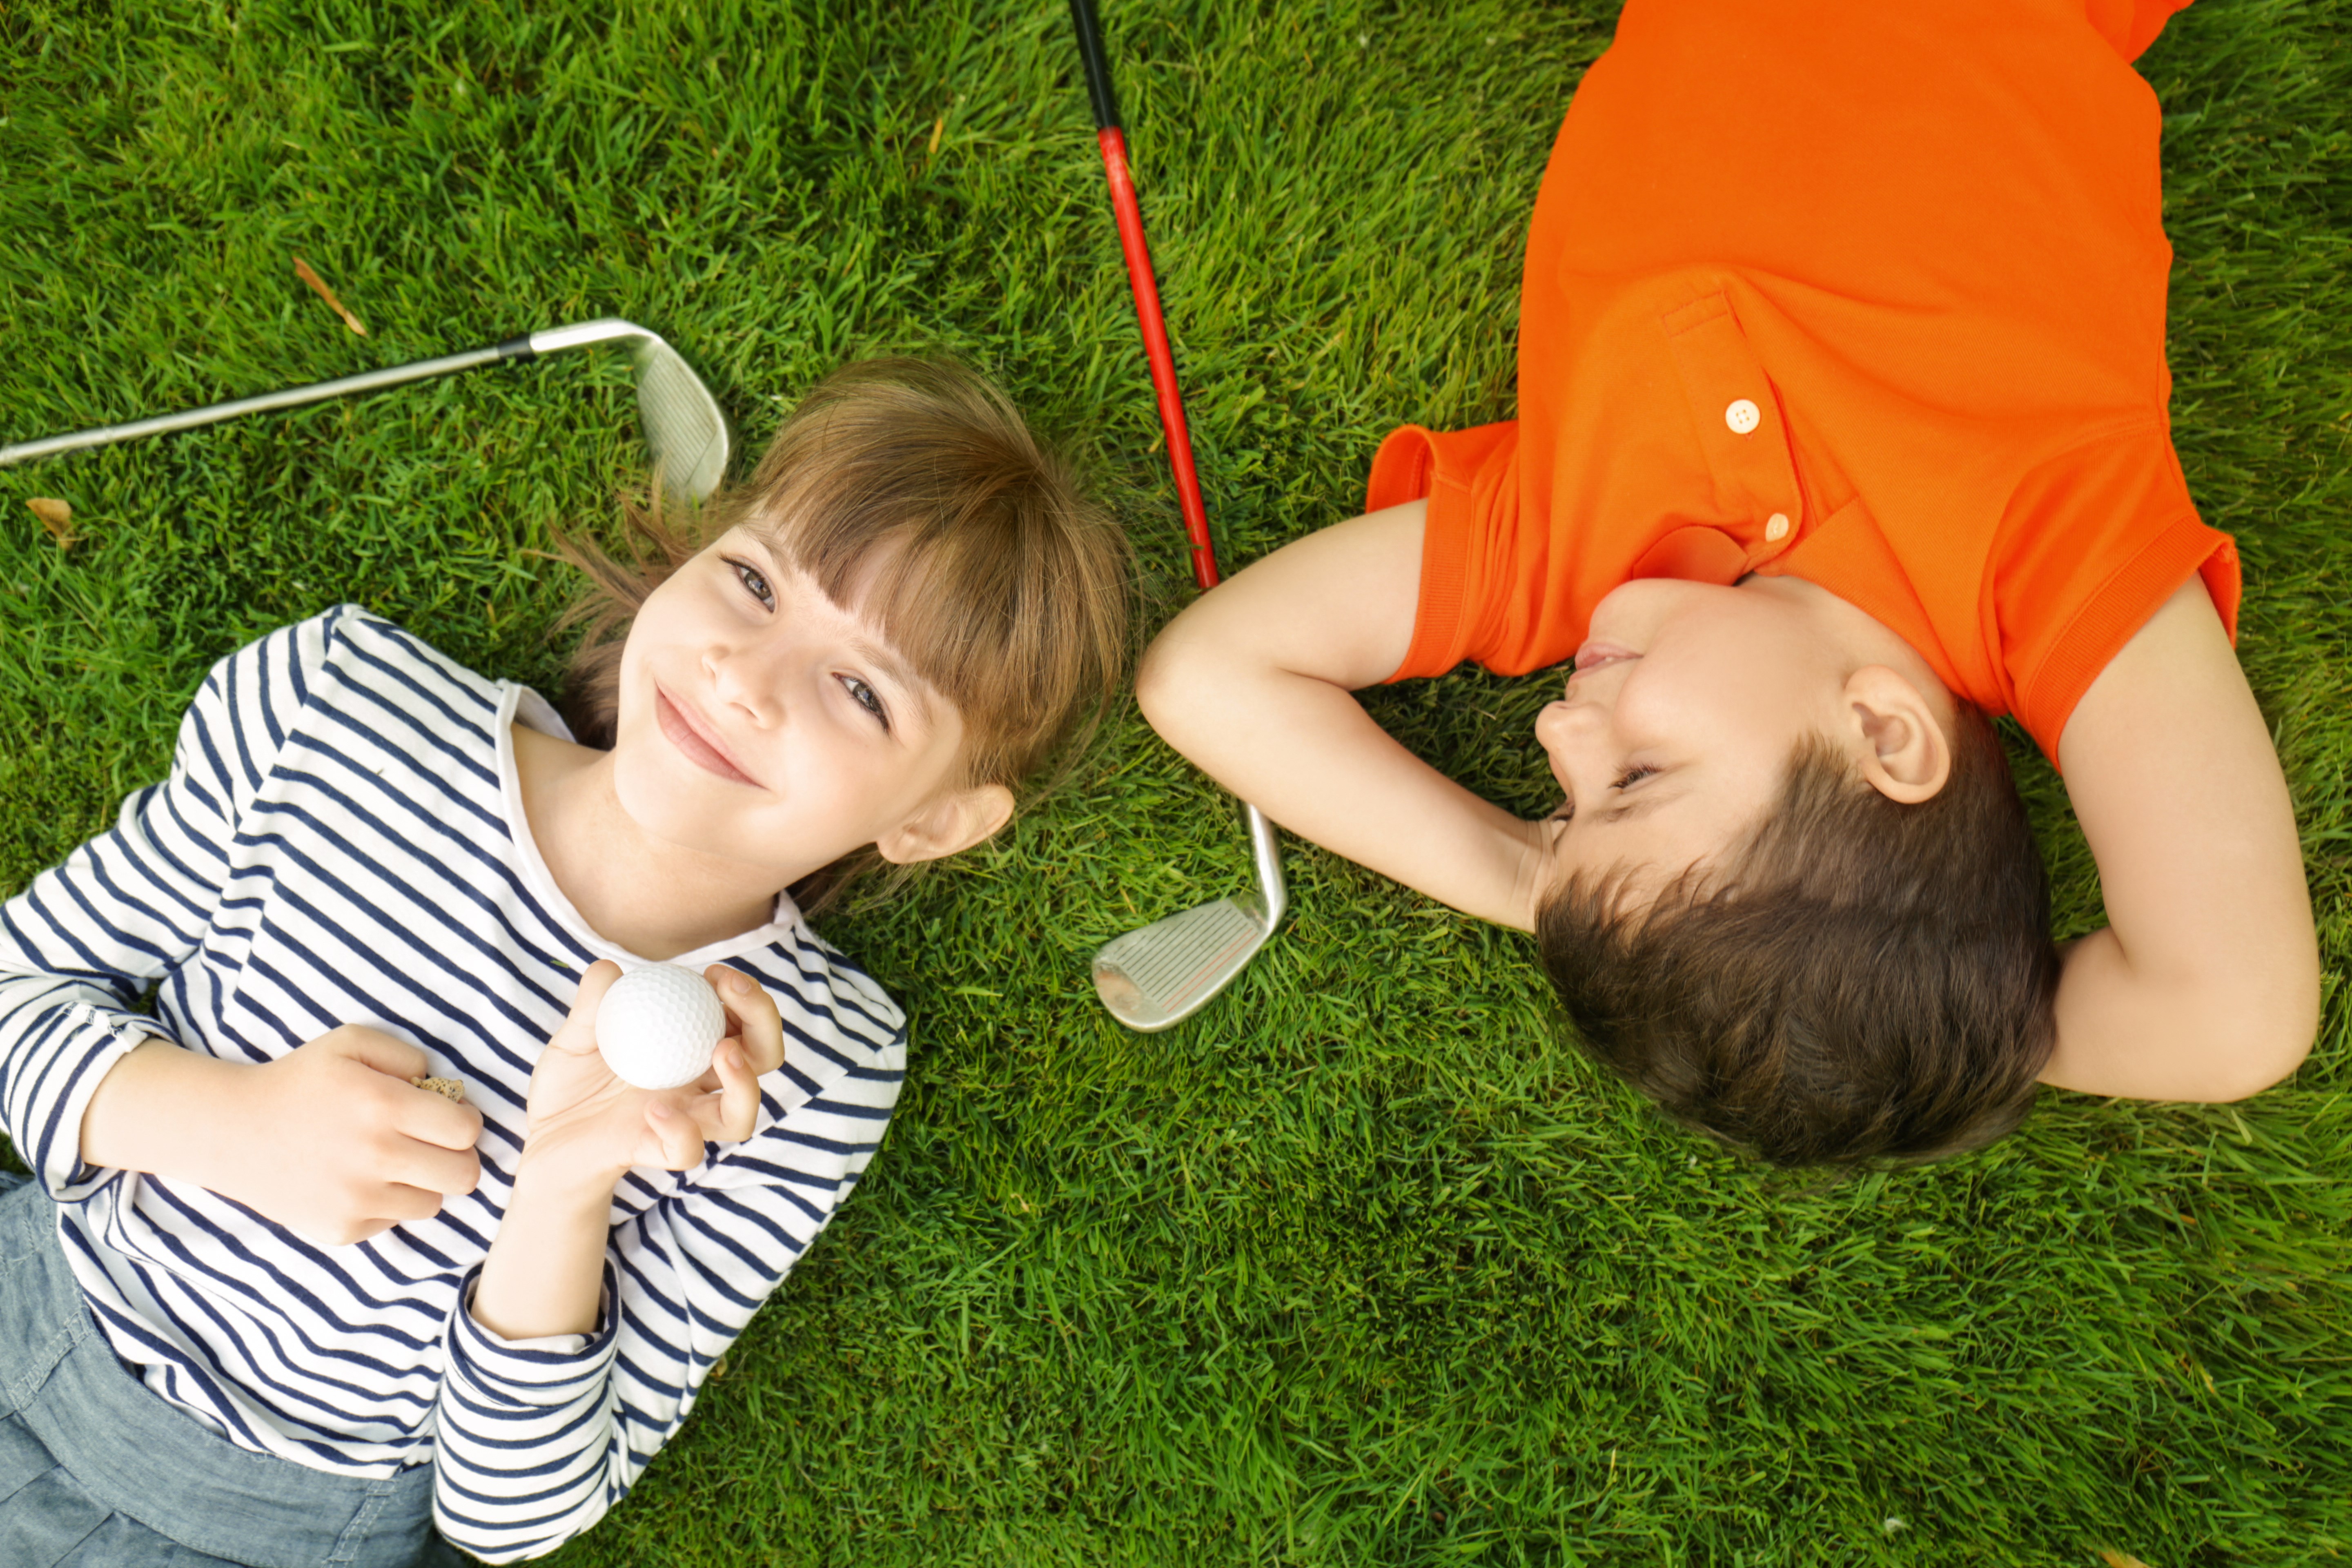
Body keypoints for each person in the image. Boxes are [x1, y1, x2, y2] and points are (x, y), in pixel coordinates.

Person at [1136, 0, 2319, 1164]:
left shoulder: (1573, 558)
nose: (1558, 733)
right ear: (1884, 736)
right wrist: (1916, 1003)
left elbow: (1209, 677)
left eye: (1562, 807)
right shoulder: (2049, 566)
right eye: (1636, 780)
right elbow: (2234, 1017)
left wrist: (1527, 878)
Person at [0, 358, 1129, 1564]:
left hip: (266, 1531)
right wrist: (230, 1125)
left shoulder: (810, 1072)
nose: (743, 678)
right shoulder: (338, 708)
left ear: (935, 822)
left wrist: (568, 1184)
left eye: (860, 690)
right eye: (753, 581)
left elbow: (508, 1514)